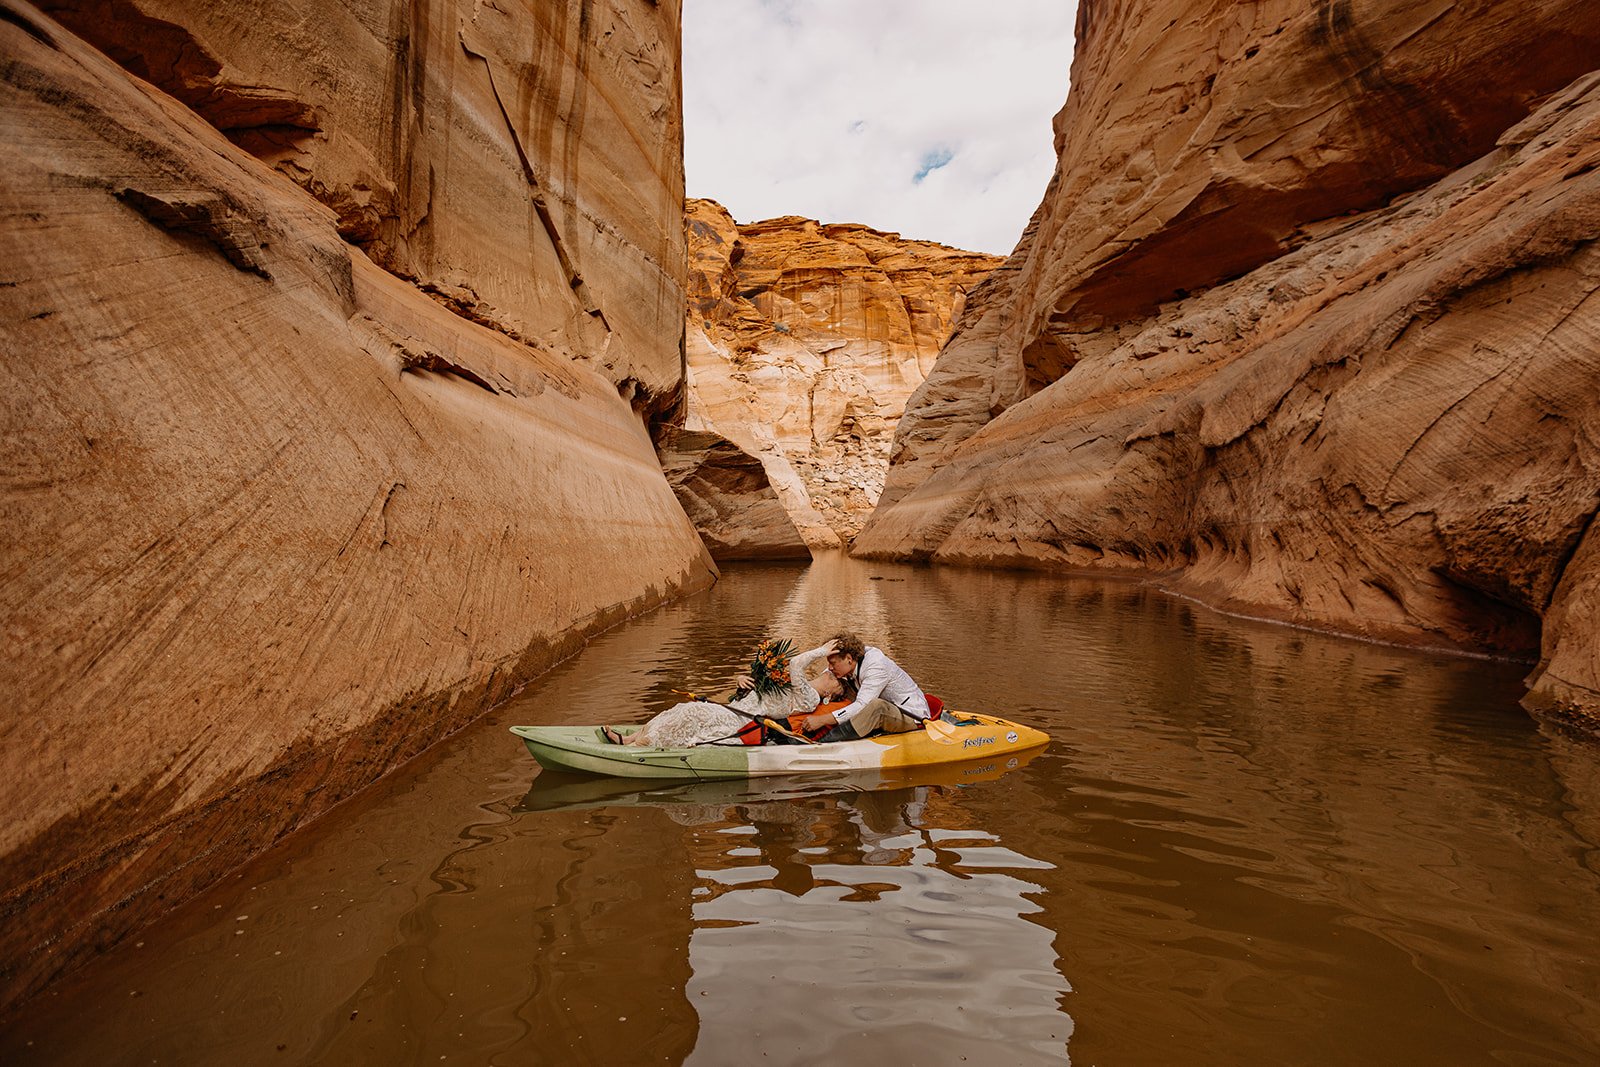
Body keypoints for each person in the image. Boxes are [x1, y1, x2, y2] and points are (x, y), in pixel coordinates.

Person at [602, 640, 843, 747]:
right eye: (830, 671)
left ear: (830, 696)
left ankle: (642, 745)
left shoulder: (810, 699)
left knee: (690, 713)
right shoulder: (791, 683)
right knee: (681, 708)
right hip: (739, 706)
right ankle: (632, 737)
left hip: (743, 717)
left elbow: (795, 664)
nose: (831, 673)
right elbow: (765, 684)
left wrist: (821, 650)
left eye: (836, 680)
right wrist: (743, 681)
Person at [795, 632, 930, 743]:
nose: (830, 667)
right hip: (890, 709)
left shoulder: (876, 666)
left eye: (833, 663)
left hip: (911, 715)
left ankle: (824, 742)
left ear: (848, 658)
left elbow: (862, 706)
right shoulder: (850, 662)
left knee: (876, 707)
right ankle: (800, 732)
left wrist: (822, 720)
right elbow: (826, 678)